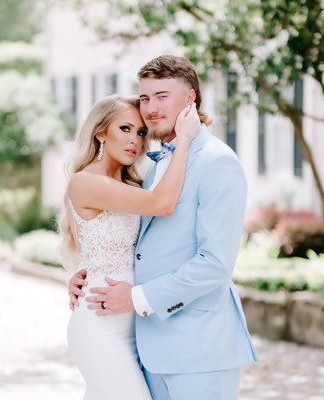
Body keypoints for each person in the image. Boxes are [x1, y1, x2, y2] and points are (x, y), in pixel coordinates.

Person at [69, 55, 258, 399]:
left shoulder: (218, 163)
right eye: (145, 98)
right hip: (148, 347)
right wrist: (89, 272)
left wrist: (136, 296)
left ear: (190, 100)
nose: (151, 108)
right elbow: (138, 243)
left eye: (162, 96)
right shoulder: (154, 169)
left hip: (200, 348)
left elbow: (215, 264)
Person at [59, 94, 200, 400]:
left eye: (140, 132)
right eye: (124, 129)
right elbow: (163, 203)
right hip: (99, 326)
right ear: (100, 133)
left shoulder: (134, 185)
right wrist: (185, 140)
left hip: (135, 327)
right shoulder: (85, 182)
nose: (135, 140)